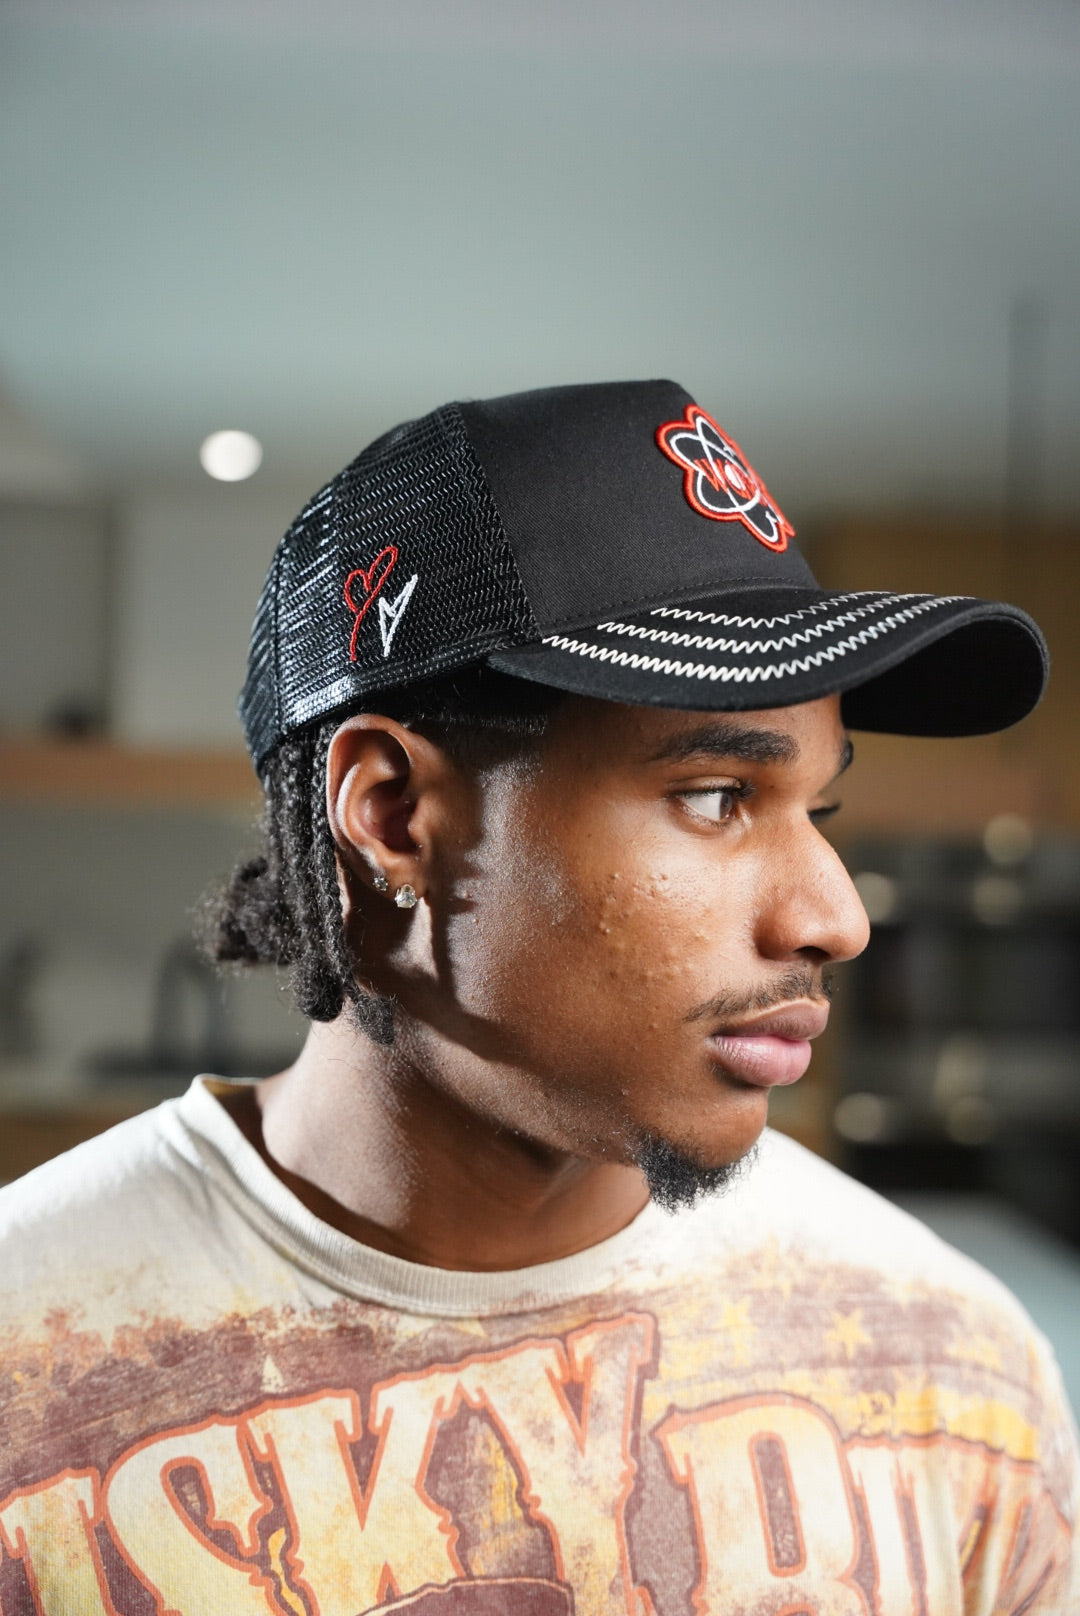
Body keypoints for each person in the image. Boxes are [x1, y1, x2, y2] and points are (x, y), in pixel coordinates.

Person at [0, 380, 1074, 1616]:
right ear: (392, 814)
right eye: (717, 795)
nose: (835, 916)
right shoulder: (35, 1361)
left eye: (818, 807)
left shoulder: (948, 1369)